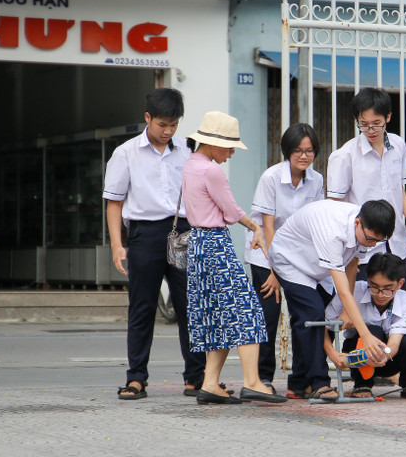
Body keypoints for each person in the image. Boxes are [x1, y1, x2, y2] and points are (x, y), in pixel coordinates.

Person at [104, 87, 206, 400]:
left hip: (182, 233)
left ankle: (196, 378)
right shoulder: (126, 153)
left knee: (190, 306)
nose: (168, 131)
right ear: (148, 118)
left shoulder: (187, 150)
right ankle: (136, 379)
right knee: (142, 307)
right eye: (162, 124)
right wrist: (117, 245)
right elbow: (114, 202)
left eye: (174, 124)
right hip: (144, 235)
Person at [183, 110, 287, 405]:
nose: (230, 154)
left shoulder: (191, 165)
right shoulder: (211, 170)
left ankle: (210, 383)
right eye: (229, 147)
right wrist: (255, 227)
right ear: (214, 142)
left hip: (198, 245)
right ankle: (253, 381)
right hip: (216, 243)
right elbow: (230, 210)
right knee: (247, 311)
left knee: (216, 316)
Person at [269, 199, 396, 400]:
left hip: (316, 266)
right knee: (313, 313)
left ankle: (300, 383)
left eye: (377, 242)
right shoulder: (333, 231)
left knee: (308, 320)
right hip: (290, 260)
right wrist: (366, 336)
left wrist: (347, 312)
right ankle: (319, 382)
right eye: (370, 239)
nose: (371, 245)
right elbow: (344, 292)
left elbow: (353, 265)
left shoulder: (365, 229)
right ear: (357, 223)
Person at [245, 123, 324, 389]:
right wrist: (274, 271)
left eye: (310, 151)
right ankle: (262, 377)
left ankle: (299, 381)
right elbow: (268, 228)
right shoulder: (270, 177)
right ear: (287, 151)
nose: (304, 156)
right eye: (298, 151)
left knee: (304, 316)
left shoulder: (317, 180)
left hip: (298, 260)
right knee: (267, 316)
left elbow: (315, 222)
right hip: (266, 257)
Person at [327, 87, 406, 289]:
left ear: (388, 117)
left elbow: (399, 188)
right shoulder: (345, 155)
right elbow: (334, 208)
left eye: (376, 124)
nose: (370, 131)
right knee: (362, 307)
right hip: (362, 250)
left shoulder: (398, 145)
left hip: (395, 244)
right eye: (364, 125)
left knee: (395, 303)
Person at [323, 253, 406, 400]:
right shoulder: (352, 293)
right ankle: (362, 384)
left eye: (387, 289)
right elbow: (323, 327)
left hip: (388, 358)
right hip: (357, 356)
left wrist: (383, 355)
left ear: (400, 283)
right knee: (373, 330)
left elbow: (395, 342)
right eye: (374, 287)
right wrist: (333, 355)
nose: (380, 295)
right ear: (367, 279)